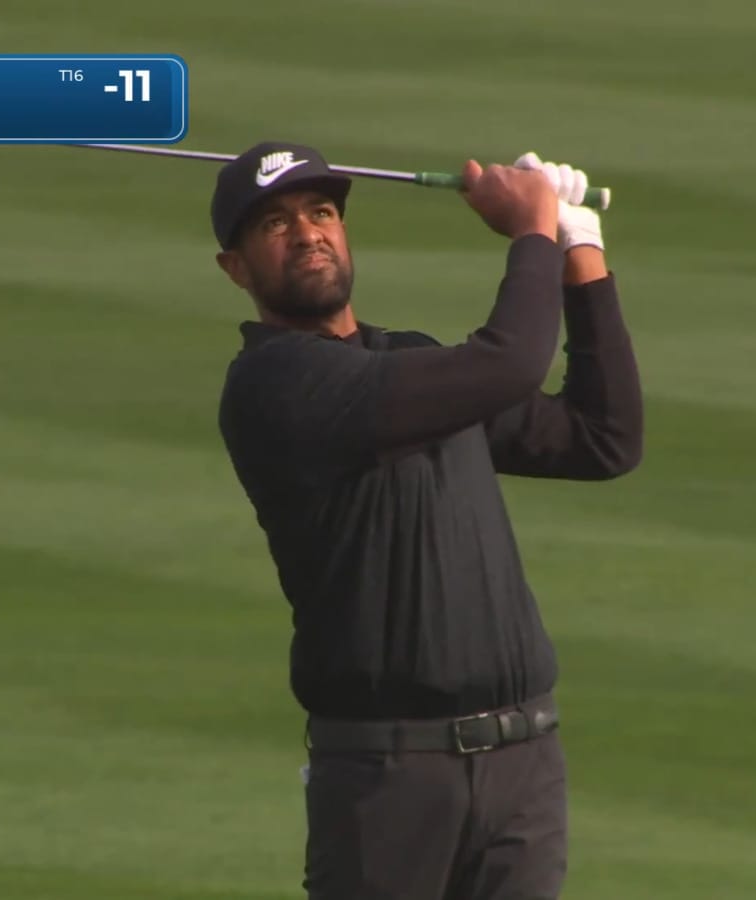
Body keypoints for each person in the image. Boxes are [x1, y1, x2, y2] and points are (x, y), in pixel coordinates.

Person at [211, 140, 644, 900]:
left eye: (321, 213)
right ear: (236, 268)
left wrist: (580, 248)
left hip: (523, 766)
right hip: (388, 777)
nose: (308, 231)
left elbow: (603, 439)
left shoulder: (408, 361)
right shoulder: (275, 384)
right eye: (274, 223)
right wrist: (532, 231)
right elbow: (510, 361)